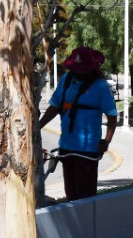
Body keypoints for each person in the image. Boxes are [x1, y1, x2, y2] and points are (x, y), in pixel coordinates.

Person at [38, 46, 118, 201]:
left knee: (86, 197)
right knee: (71, 195)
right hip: (66, 148)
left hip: (88, 150)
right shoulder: (66, 81)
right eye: (78, 69)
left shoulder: (100, 86)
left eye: (84, 69)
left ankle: (86, 224)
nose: (81, 72)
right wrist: (37, 128)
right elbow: (54, 107)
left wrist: (106, 141)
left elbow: (112, 116)